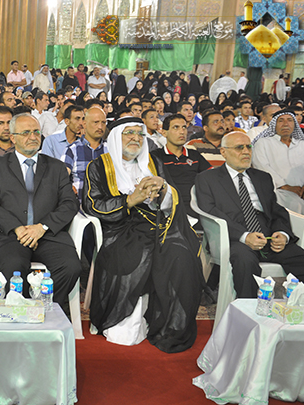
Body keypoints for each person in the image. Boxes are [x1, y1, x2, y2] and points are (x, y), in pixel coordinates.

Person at [83, 116, 204, 353]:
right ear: (116, 138)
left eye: (140, 134)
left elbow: (171, 199)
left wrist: (164, 189)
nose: (135, 138)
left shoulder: (153, 163)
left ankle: (168, 325)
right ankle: (125, 322)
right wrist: (130, 200)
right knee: (137, 253)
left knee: (182, 254)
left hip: (155, 225)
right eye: (129, 133)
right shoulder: (98, 166)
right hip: (118, 230)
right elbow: (93, 205)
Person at [0, 113, 81, 315]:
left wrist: (42, 227)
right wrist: (16, 227)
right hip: (12, 235)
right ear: (13, 138)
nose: (33, 137)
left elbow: (70, 203)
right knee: (14, 267)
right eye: (25, 133)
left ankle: (44, 312)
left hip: (49, 234)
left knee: (70, 267)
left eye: (36, 132)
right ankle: (22, 312)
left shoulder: (57, 167)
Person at [195, 131, 304, 298]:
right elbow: (209, 211)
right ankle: (248, 309)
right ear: (223, 152)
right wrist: (245, 236)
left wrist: (282, 233)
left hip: (269, 237)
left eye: (248, 147)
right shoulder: (207, 178)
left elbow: (276, 210)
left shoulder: (262, 177)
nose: (246, 152)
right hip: (234, 238)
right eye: (239, 147)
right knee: (245, 262)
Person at [251, 110, 304, 217]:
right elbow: (262, 167)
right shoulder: (263, 143)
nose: (285, 124)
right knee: (295, 204)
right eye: (281, 121)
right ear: (274, 125)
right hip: (279, 191)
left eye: (290, 120)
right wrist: (285, 186)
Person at [150, 114, 211, 220]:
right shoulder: (155, 156)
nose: (182, 132)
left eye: (184, 127)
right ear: (164, 133)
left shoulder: (194, 155)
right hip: (168, 209)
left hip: (197, 207)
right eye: (176, 127)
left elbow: (210, 178)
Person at [62, 107, 107, 203]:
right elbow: (61, 178)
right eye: (96, 122)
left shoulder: (111, 149)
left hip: (108, 205)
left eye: (103, 122)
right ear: (85, 124)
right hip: (79, 205)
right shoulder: (72, 150)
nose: (100, 127)